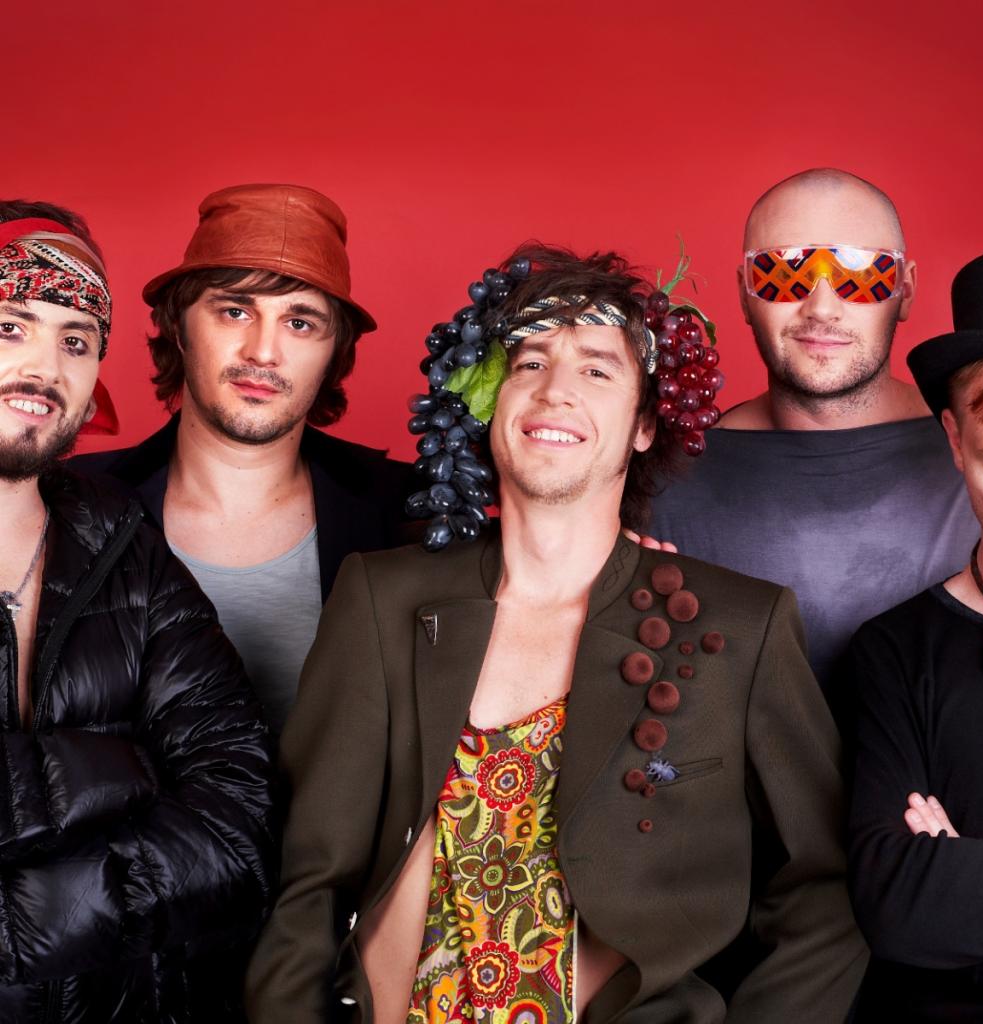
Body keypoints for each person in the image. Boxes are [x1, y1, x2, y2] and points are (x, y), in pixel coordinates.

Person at [245, 243, 866, 1022]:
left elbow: (822, 890)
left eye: (597, 370)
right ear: (488, 399)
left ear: (645, 424)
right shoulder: (382, 598)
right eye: (529, 362)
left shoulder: (740, 626)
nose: (555, 391)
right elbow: (308, 885)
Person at [0, 202, 275, 1021]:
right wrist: (118, 775)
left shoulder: (126, 548)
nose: (45, 368)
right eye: (11, 328)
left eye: (76, 341)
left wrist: (20, 926)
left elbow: (238, 825)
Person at [71, 184, 414, 737]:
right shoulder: (68, 504)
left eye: (300, 323)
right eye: (235, 311)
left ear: (335, 352)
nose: (263, 351)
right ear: (179, 325)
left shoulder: (408, 512)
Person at [648, 168, 978, 699]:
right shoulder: (666, 474)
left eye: (861, 273)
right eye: (784, 272)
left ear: (906, 290)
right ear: (745, 293)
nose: (822, 307)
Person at [846, 246, 983, 1019]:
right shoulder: (893, 652)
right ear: (954, 442)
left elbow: (942, 909)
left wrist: (972, 890)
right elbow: (898, 908)